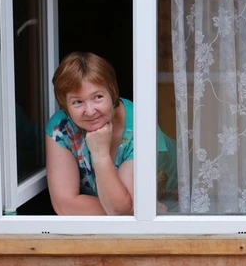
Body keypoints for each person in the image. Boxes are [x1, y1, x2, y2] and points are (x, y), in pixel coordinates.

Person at [45, 52, 178, 215]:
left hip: (172, 214)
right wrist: (134, 208)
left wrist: (100, 154)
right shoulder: (61, 127)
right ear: (65, 105)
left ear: (112, 92)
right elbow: (65, 205)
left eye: (98, 97)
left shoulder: (141, 127)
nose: (90, 111)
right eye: (77, 102)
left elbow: (121, 211)